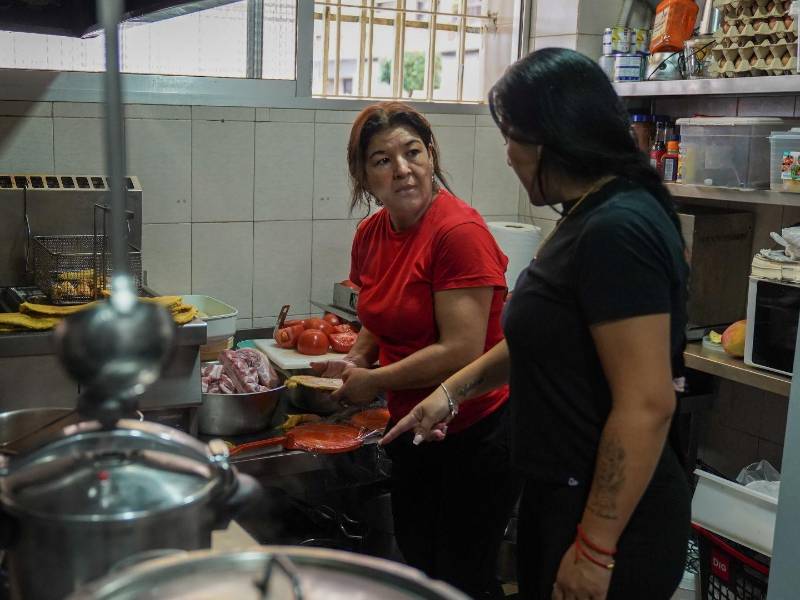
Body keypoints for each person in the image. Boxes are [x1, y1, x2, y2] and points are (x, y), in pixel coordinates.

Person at [382, 48, 691, 600]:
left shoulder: (617, 229)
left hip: (610, 520)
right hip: (563, 496)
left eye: (512, 138)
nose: (507, 157)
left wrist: (596, 549)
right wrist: (453, 391)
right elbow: (544, 338)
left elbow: (647, 403)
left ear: (553, 139)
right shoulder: (589, 214)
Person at [310, 101, 519, 599]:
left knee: (462, 576)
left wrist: (374, 382)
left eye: (413, 152)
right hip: (415, 425)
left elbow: (462, 349)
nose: (402, 169)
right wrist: (358, 357)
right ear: (364, 175)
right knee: (420, 561)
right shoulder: (372, 233)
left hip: (478, 428)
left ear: (431, 156)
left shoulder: (458, 233)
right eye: (382, 159)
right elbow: (378, 316)